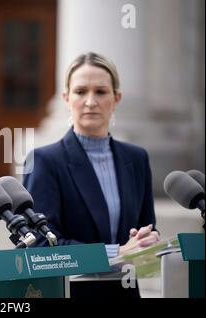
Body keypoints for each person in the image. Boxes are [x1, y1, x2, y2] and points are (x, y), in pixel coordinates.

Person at [23, 52, 160, 298]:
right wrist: (115, 253)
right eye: (80, 91)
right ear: (66, 98)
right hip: (72, 291)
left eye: (100, 92)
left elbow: (146, 226)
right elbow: (42, 245)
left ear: (116, 98)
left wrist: (146, 239)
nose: (90, 101)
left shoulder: (137, 158)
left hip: (126, 291)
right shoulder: (44, 161)